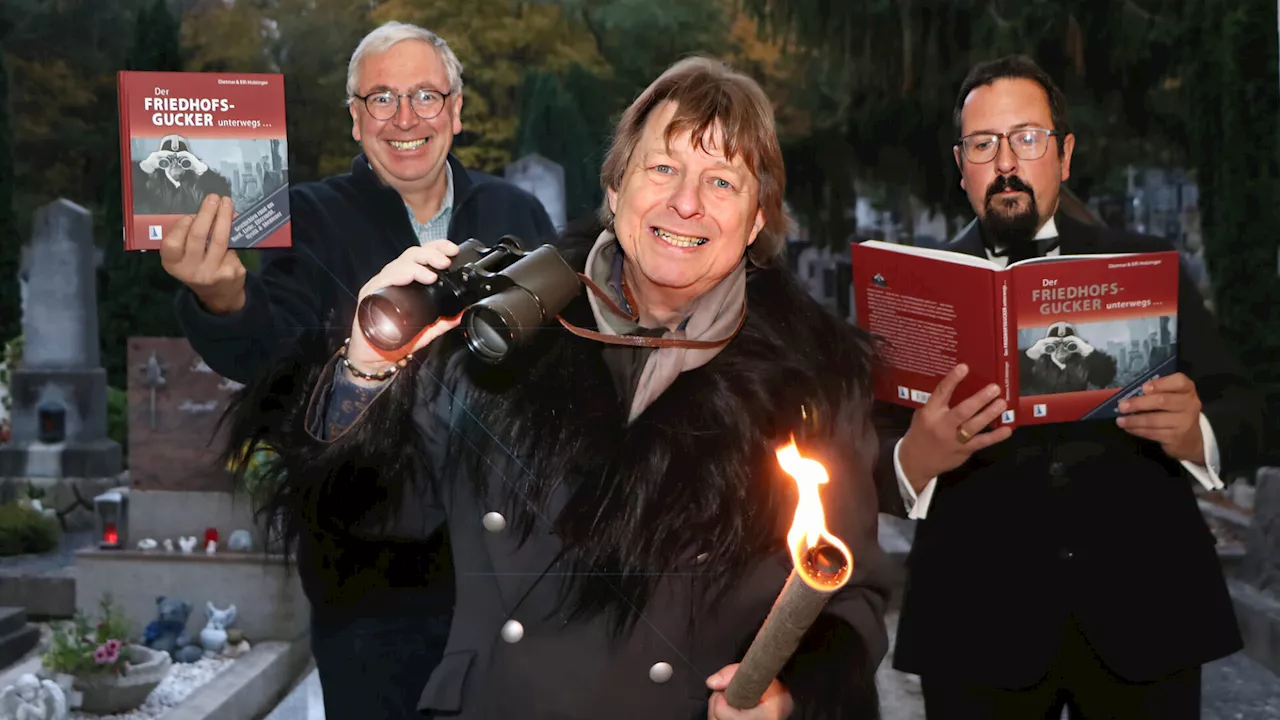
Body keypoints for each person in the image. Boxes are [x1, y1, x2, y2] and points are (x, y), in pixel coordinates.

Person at [222, 56, 893, 718]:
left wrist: (788, 696)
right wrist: (366, 367)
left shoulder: (813, 382)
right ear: (615, 190)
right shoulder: (513, 331)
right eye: (662, 168)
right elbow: (371, 520)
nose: (685, 203)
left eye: (722, 181)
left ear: (754, 222)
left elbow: (851, 598)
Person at [158, 21, 556, 720]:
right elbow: (268, 357)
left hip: (506, 576)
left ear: (457, 111)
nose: (406, 118)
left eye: (427, 96)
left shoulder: (513, 212)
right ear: (355, 118)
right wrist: (221, 295)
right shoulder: (309, 217)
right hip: (373, 585)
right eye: (381, 98)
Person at [878, 55, 1263, 719]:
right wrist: (914, 460)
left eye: (1027, 139)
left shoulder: (1146, 266)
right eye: (983, 145)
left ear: (1064, 154)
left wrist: (1194, 431)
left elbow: (1248, 411)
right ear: (961, 165)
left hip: (1147, 619)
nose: (1006, 162)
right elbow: (860, 451)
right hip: (974, 630)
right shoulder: (910, 287)